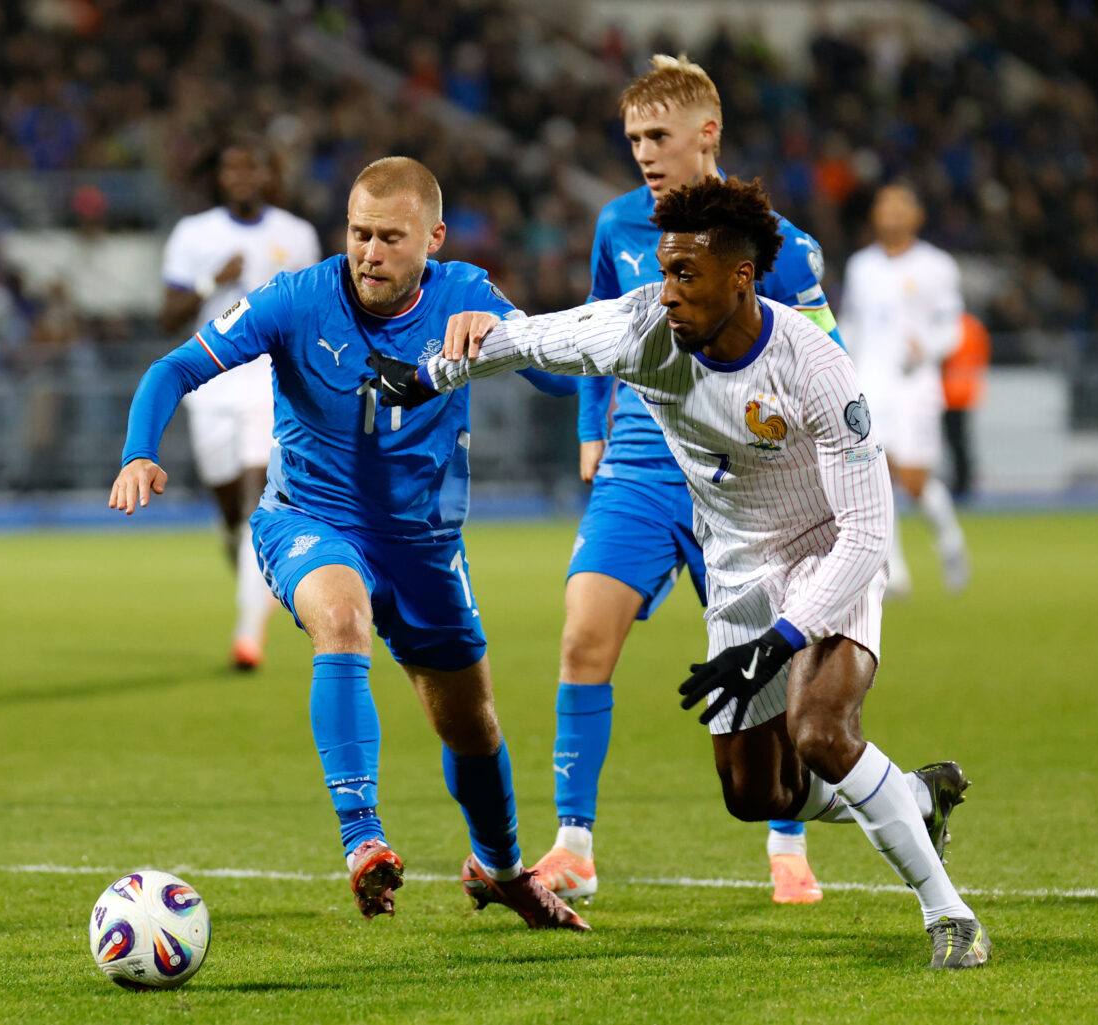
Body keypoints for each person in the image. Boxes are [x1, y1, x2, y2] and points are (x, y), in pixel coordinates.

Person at [374, 176, 989, 969]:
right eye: (664, 271)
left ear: (742, 278)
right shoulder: (644, 330)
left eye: (686, 276)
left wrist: (785, 640)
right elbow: (532, 340)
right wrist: (425, 374)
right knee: (752, 793)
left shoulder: (817, 368)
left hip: (828, 554)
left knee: (821, 728)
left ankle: (951, 915)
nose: (666, 292)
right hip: (738, 567)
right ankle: (908, 795)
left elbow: (869, 531)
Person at [112, 156, 586, 930]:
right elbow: (172, 369)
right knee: (341, 616)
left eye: (390, 238)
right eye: (359, 233)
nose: (369, 251)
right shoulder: (298, 297)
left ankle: (502, 868)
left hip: (426, 546)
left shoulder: (467, 293)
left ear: (432, 237)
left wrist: (509, 338)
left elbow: (569, 380)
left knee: (472, 726)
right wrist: (140, 448)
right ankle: (363, 838)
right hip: (311, 518)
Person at [538, 55, 840, 906]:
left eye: (658, 136)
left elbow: (829, 362)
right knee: (581, 637)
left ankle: (787, 841)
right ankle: (573, 844)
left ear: (707, 133)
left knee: (770, 668)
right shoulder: (615, 228)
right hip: (639, 463)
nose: (642, 151)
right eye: (633, 137)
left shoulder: (775, 243)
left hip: (744, 480)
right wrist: (591, 430)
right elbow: (597, 333)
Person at [159, 135, 322, 670]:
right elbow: (166, 315)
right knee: (231, 511)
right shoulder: (195, 234)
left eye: (253, 169)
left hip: (267, 381)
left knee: (258, 500)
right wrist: (212, 280)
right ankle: (250, 581)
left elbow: (316, 313)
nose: (243, 179)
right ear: (220, 177)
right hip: (210, 386)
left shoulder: (296, 235)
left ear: (267, 176)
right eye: (233, 170)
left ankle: (248, 634)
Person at [840, 183, 969, 597]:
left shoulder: (937, 266)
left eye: (900, 206)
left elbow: (952, 327)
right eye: (884, 206)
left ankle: (949, 541)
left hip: (916, 383)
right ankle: (894, 570)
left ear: (917, 215)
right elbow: (852, 323)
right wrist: (843, 370)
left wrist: (928, 347)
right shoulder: (861, 266)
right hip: (871, 381)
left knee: (914, 481)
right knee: (878, 473)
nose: (891, 214)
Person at [941, 312, 990, 501]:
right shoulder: (974, 325)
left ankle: (961, 482)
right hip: (967, 388)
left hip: (950, 390)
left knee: (955, 440)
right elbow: (983, 354)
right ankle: (965, 479)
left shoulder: (949, 326)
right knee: (962, 439)